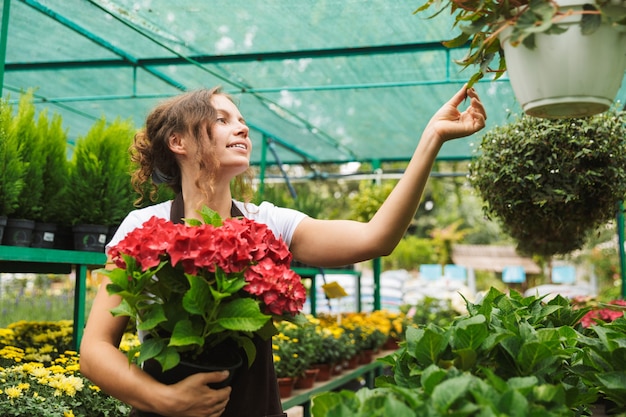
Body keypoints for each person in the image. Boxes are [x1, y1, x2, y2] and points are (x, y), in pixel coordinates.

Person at [79, 84, 487, 417]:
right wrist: (164, 399)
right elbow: (95, 349)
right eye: (222, 120)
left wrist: (431, 138)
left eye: (242, 122)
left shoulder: (269, 223)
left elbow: (375, 238)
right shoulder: (143, 229)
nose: (242, 130)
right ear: (178, 141)